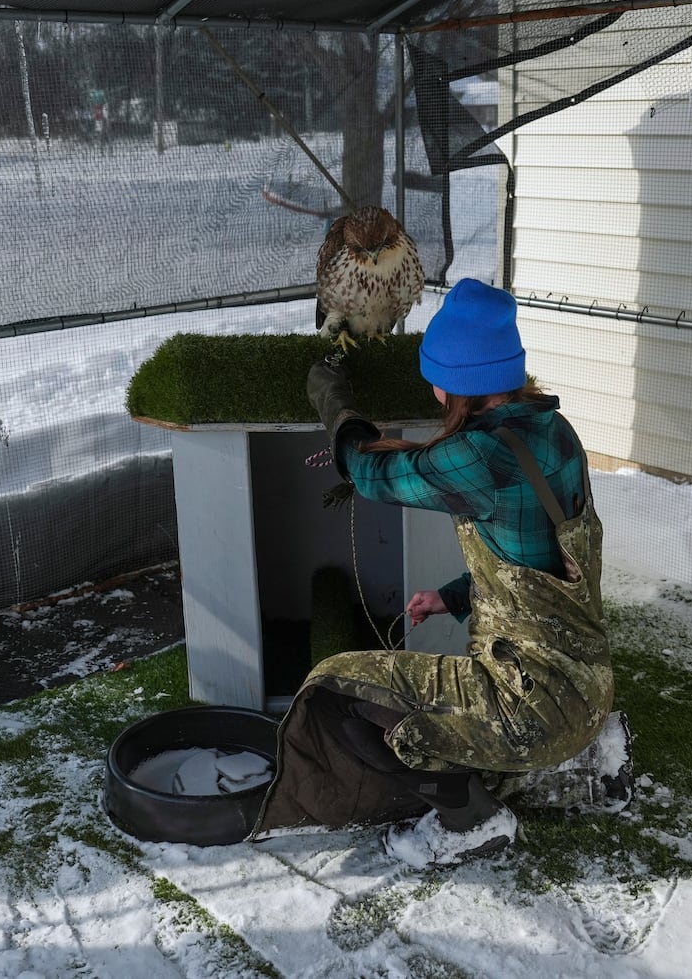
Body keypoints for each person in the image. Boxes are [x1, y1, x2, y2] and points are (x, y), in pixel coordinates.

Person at [250, 277, 612, 867]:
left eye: (437, 375)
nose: (433, 388)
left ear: (461, 380)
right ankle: (587, 757)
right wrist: (450, 598)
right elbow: (537, 566)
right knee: (461, 706)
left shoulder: (478, 455)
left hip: (528, 706)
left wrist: (334, 403)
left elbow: (369, 475)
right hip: (586, 689)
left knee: (336, 689)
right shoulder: (553, 432)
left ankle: (472, 823)